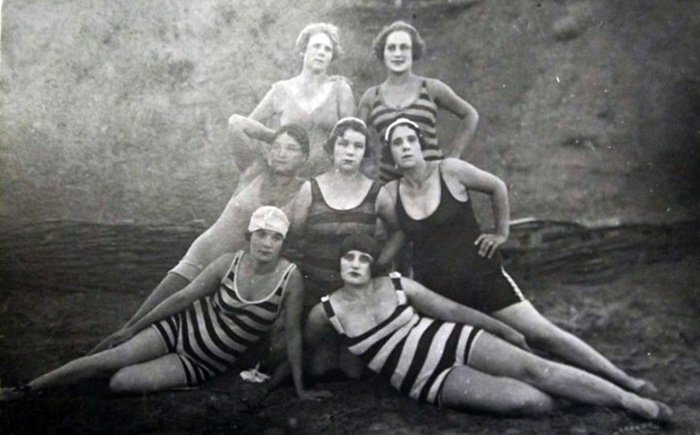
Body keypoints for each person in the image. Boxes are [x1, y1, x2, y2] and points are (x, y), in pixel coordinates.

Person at [381, 117, 656, 395]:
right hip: (439, 293)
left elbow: (497, 186)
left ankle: (624, 380)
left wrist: (502, 233)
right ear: (389, 152)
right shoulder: (391, 194)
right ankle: (570, 387)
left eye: (410, 140)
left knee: (542, 334)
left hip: (481, 278)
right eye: (397, 143)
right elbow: (399, 236)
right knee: (494, 356)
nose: (405, 147)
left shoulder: (450, 170)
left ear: (421, 144)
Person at [305, 234, 673, 422]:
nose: (354, 264)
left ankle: (631, 400)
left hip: (454, 340)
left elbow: (453, 310)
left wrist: (504, 330)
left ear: (372, 267)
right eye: (348, 258)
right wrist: (294, 382)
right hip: (428, 379)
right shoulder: (326, 313)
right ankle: (585, 391)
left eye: (363, 258)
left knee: (539, 369)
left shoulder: (399, 284)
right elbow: (305, 351)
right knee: (533, 401)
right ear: (339, 263)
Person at [2, 207, 327, 401]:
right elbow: (184, 297)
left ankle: (162, 382)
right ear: (249, 235)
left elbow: (294, 335)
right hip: (177, 329)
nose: (267, 243)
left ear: (283, 242)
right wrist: (133, 328)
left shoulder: (290, 277)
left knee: (120, 381)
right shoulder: (229, 261)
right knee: (110, 357)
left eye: (276, 237)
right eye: (261, 234)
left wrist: (300, 388)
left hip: (202, 362)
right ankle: (25, 390)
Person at [91, 124, 309, 353]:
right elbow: (237, 124)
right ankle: (87, 364)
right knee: (138, 321)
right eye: (276, 147)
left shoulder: (305, 191)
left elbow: (292, 238)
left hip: (232, 274)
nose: (281, 153)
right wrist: (273, 134)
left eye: (291, 149)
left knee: (176, 333)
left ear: (304, 157)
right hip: (203, 256)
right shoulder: (254, 169)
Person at [287, 117, 400, 376]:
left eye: (358, 146)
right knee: (320, 371)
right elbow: (294, 236)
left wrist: (382, 262)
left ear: (365, 153)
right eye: (343, 144)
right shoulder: (310, 189)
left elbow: (400, 231)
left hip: (356, 296)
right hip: (315, 292)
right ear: (332, 148)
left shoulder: (376, 192)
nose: (350, 151)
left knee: (354, 375)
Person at [229, 22, 355, 183]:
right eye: (316, 46)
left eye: (327, 49)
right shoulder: (281, 90)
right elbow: (247, 128)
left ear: (332, 56)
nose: (321, 52)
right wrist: (277, 145)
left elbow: (353, 137)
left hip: (326, 180)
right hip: (287, 180)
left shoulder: (340, 89)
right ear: (303, 50)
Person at [357, 20, 479, 183]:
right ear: (383, 53)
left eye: (404, 47)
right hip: (391, 187)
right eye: (391, 48)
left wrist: (454, 155)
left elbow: (470, 115)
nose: (398, 54)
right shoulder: (371, 96)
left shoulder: (431, 87)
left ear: (413, 51)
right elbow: (354, 136)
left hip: (434, 182)